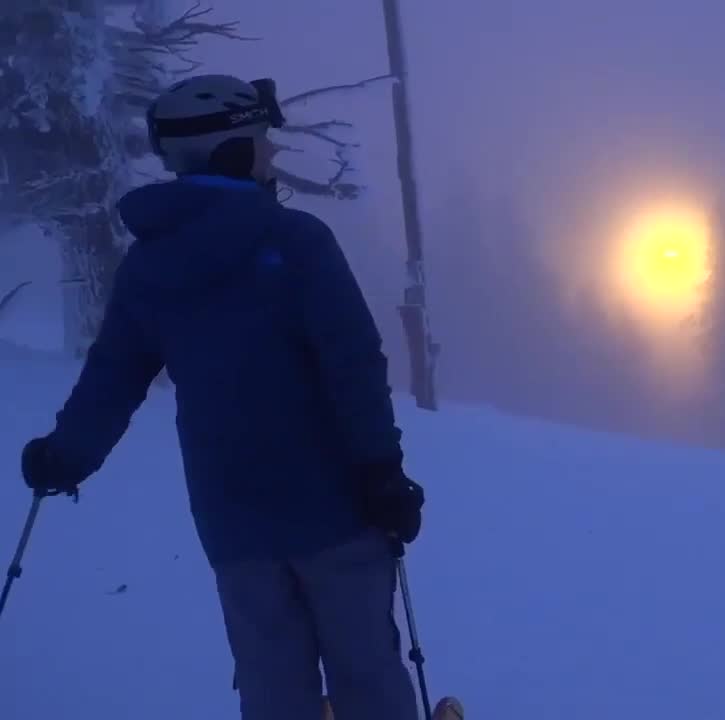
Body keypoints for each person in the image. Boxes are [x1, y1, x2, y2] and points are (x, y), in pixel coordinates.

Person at [18, 74, 425, 720]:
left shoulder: (151, 266)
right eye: (262, 141)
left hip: (233, 521)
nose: (272, 153)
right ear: (232, 151)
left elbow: (113, 376)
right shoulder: (295, 242)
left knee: (271, 677)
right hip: (337, 510)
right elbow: (353, 366)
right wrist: (381, 472)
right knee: (365, 668)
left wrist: (65, 456)